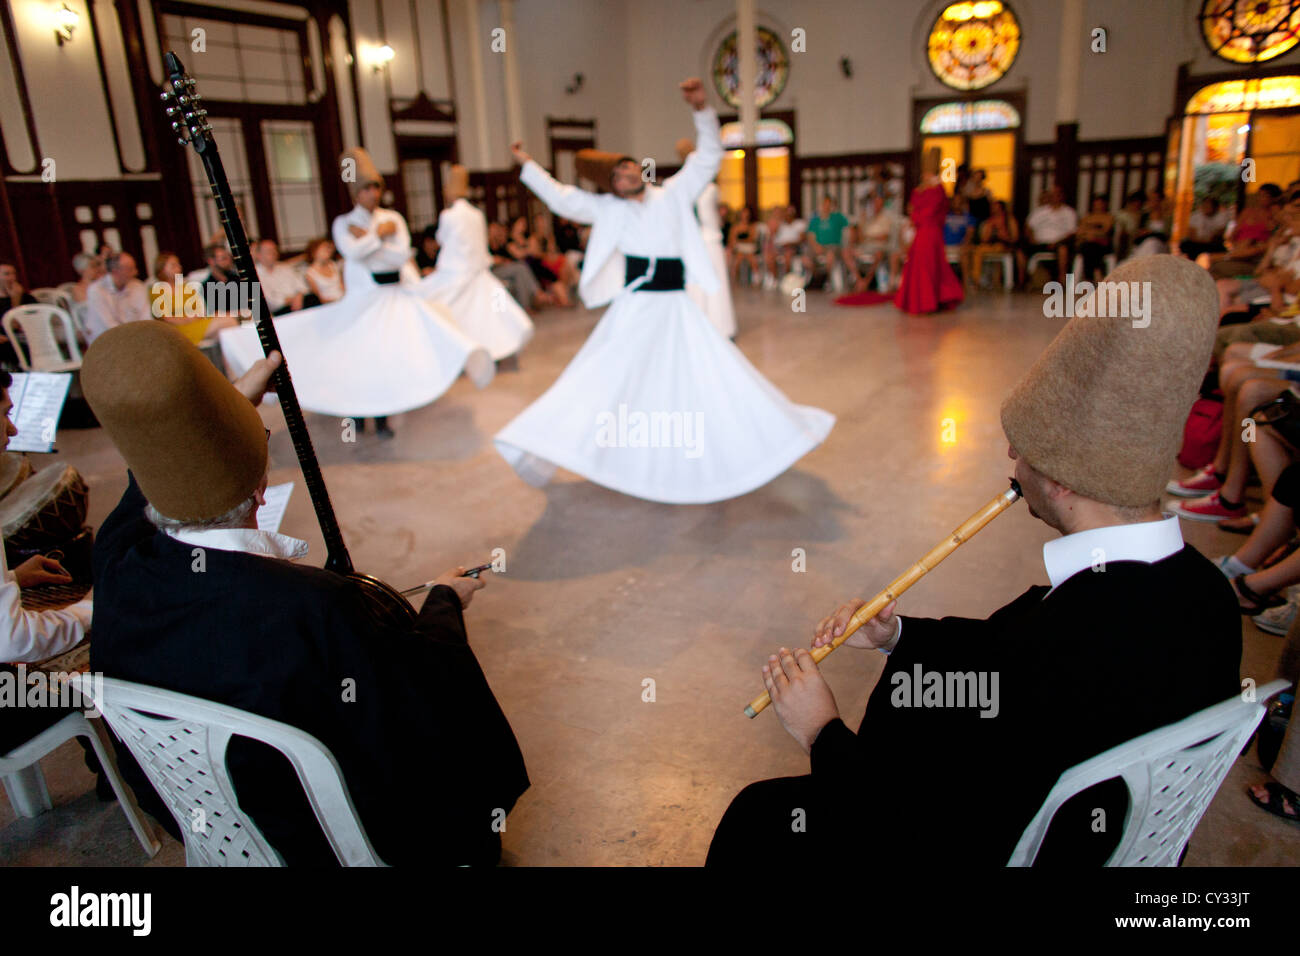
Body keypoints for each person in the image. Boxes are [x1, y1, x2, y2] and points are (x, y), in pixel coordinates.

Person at [708, 255, 1241, 867]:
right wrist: (898, 637)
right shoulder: (1209, 596)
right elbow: (1004, 657)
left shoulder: (1061, 651)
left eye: (1026, 444)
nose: (1011, 450)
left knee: (759, 819)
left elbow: (924, 834)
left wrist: (821, 732)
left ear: (1065, 480)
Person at [81, 320, 529, 866]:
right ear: (260, 488)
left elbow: (143, 493)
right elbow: (425, 697)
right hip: (317, 839)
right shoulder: (311, 605)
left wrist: (216, 415)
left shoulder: (116, 563)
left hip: (207, 821)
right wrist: (441, 602)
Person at [496, 77, 834, 504]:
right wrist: (528, 166)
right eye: (617, 174)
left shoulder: (673, 195)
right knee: (602, 376)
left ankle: (724, 448)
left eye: (630, 166)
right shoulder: (606, 209)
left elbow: (709, 157)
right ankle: (599, 449)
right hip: (634, 307)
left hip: (677, 305)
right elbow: (562, 198)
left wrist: (701, 110)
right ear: (611, 185)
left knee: (709, 373)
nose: (627, 174)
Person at [218, 146, 493, 434]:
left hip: (394, 299)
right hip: (362, 303)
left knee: (389, 358)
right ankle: (359, 415)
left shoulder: (393, 219)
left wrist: (373, 242)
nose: (373, 194)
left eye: (376, 188)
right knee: (360, 362)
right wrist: (377, 237)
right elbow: (352, 252)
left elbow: (400, 255)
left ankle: (384, 416)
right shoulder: (344, 223)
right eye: (366, 189)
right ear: (356, 194)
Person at [417, 164, 534, 363]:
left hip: (456, 275)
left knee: (433, 303)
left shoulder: (448, 216)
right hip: (480, 274)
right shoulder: (477, 215)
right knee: (496, 310)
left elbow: (442, 239)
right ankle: (502, 348)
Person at [677, 138, 737, 338]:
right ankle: (702, 325)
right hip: (695, 241)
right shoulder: (686, 187)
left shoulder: (707, 189)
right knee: (697, 282)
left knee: (710, 281)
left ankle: (718, 326)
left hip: (707, 240)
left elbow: (710, 219)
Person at [894, 148, 963, 314]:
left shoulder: (936, 190)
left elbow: (928, 212)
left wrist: (916, 215)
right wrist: (915, 214)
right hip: (924, 232)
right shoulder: (924, 190)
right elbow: (914, 208)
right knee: (921, 265)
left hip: (930, 233)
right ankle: (922, 301)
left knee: (929, 266)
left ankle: (927, 302)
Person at [85, 251, 151, 343]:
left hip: (135, 337)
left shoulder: (138, 286)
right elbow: (109, 325)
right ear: (115, 271)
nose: (135, 272)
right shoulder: (97, 290)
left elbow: (146, 317)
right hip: (105, 341)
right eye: (130, 269)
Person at [1021, 185, 1077, 285]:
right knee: (1020, 250)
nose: (1055, 197)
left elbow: (1072, 232)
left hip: (1059, 243)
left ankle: (1062, 279)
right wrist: (1031, 238)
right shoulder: (1040, 211)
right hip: (1039, 242)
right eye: (1052, 195)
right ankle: (1023, 279)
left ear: (1062, 196)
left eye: (1057, 195)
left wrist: (1057, 242)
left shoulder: (1069, 212)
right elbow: (1028, 227)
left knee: (1063, 249)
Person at [803, 196, 855, 291]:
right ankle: (818, 276)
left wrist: (850, 244)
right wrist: (816, 246)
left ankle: (827, 279)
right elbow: (810, 235)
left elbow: (851, 228)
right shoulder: (815, 220)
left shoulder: (837, 217)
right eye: (824, 204)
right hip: (817, 246)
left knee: (830, 257)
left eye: (828, 204)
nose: (826, 207)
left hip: (833, 246)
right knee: (805, 259)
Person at [488, 220, 544, 309]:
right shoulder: (485, 244)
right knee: (520, 267)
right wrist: (502, 261)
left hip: (506, 270)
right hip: (492, 271)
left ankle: (525, 307)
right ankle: (537, 293)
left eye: (497, 229)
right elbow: (491, 260)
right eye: (494, 229)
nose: (496, 231)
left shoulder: (501, 244)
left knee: (519, 277)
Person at [252, 239, 314, 315]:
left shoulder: (285, 267)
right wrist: (290, 300)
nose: (273, 253)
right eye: (269, 251)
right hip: (280, 309)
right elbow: (269, 301)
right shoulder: (254, 275)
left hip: (300, 302)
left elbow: (302, 286)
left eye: (275, 250)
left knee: (313, 299)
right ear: (259, 255)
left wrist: (299, 296)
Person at [971, 200, 1020, 290]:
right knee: (977, 251)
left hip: (1004, 245)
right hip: (990, 245)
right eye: (992, 207)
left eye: (995, 207)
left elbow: (1014, 237)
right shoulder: (990, 221)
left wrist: (1003, 236)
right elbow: (984, 239)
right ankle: (976, 280)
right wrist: (990, 231)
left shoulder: (1009, 220)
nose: (993, 209)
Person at [1077, 195, 1115, 282]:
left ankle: (1089, 278)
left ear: (1105, 205)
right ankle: (1096, 271)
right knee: (1088, 247)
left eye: (1101, 204)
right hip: (1087, 243)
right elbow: (1079, 233)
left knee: (1090, 247)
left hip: (1103, 244)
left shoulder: (1108, 217)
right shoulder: (1087, 217)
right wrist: (1093, 233)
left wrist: (1090, 234)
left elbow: (1105, 232)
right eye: (1096, 204)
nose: (1099, 206)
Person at [304, 238, 344, 304]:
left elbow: (342, 285)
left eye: (328, 249)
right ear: (314, 252)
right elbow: (321, 298)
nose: (328, 251)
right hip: (330, 304)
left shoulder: (333, 264)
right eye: (324, 249)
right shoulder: (310, 274)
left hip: (343, 298)